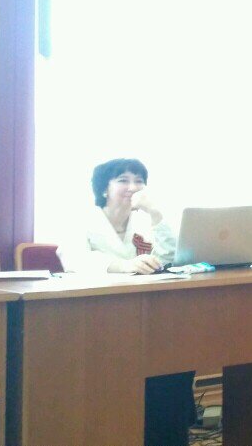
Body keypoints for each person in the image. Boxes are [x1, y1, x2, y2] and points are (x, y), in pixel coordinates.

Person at [56, 158, 195, 446]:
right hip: (96, 318)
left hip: (146, 314)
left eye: (139, 181)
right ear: (103, 188)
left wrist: (157, 214)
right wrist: (123, 265)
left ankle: (168, 435)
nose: (132, 187)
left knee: (177, 359)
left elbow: (172, 257)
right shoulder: (82, 218)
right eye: (123, 180)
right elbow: (72, 258)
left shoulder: (144, 222)